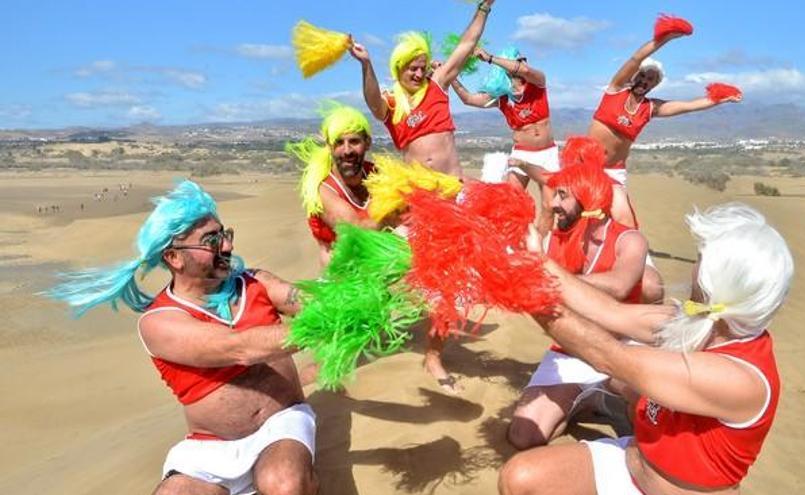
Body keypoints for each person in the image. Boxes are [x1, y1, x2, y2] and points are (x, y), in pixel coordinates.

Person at [499, 203, 793, 495]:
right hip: (632, 464)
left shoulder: (737, 379)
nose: (695, 267)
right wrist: (536, 262)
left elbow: (608, 357)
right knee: (519, 478)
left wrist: (529, 293)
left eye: (701, 260)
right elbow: (608, 312)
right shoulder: (699, 321)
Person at [46, 180, 317, 495]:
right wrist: (325, 323)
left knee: (282, 483)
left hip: (281, 425)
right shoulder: (159, 322)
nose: (227, 247)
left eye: (225, 235)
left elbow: (312, 303)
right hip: (212, 448)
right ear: (174, 258)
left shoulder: (256, 281)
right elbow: (238, 348)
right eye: (211, 240)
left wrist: (350, 303)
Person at [507, 137, 648, 450]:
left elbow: (621, 284)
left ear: (587, 197)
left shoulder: (630, 239)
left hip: (620, 345)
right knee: (523, 436)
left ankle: (606, 397)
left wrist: (549, 274)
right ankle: (585, 398)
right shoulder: (559, 235)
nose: (553, 204)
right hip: (572, 347)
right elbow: (545, 177)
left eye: (562, 195)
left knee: (650, 409)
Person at [588, 26, 742, 302]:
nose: (646, 80)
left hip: (614, 174)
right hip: (585, 166)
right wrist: (664, 39)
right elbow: (636, 58)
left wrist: (719, 99)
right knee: (571, 213)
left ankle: (639, 270)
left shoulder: (650, 108)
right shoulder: (614, 90)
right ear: (635, 76)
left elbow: (687, 106)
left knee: (625, 220)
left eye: (652, 80)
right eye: (644, 76)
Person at [348, 0, 496, 177]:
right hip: (420, 193)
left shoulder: (437, 84)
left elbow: (467, 44)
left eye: (422, 68)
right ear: (399, 68)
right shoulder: (392, 101)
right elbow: (374, 105)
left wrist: (484, 7)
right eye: (413, 69)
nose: (419, 74)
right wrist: (366, 63)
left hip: (454, 185)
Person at [450, 46, 558, 235]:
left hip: (547, 154)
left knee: (549, 206)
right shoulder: (503, 99)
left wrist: (490, 58)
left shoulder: (538, 83)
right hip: (522, 152)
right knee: (511, 203)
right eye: (520, 59)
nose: (524, 63)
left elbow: (524, 71)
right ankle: (512, 244)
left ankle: (540, 251)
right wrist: (449, 76)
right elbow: (468, 99)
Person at [288, 102, 384, 266]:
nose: (347, 151)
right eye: (339, 143)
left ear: (367, 142)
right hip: (343, 283)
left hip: (379, 271)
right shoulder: (322, 190)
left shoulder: (378, 175)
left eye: (354, 141)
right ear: (329, 147)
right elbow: (356, 232)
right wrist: (392, 217)